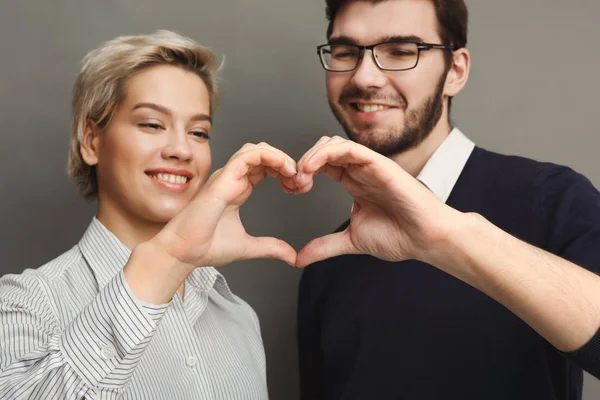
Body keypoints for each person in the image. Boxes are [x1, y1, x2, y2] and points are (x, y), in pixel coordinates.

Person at [295, 1, 600, 399]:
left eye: (402, 51)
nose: (364, 76)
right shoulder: (324, 266)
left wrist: (445, 235)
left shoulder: (554, 198)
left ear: (455, 71)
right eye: (345, 52)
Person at [0, 30, 299, 399]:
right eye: (152, 124)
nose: (181, 150)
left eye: (199, 132)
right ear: (92, 141)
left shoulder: (237, 316)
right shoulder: (27, 304)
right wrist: (169, 257)